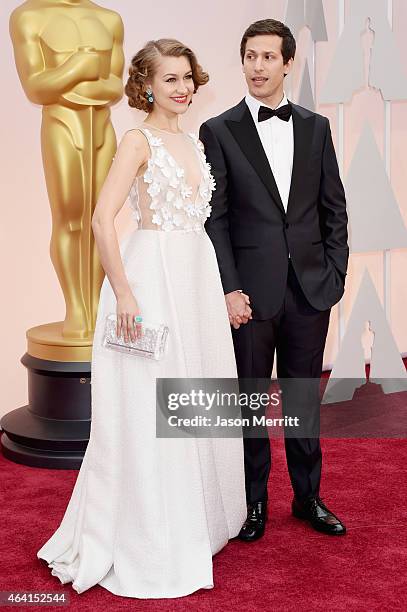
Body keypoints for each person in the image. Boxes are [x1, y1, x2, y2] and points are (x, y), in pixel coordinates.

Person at [37, 38, 247, 598]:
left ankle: (196, 521)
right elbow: (103, 220)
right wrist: (125, 294)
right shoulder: (137, 140)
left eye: (188, 78)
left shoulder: (193, 141)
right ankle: (151, 534)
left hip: (196, 280)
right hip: (150, 283)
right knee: (151, 409)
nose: (182, 88)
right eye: (170, 79)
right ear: (146, 85)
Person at [200, 19, 349, 541]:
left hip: (311, 290)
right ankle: (253, 501)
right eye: (249, 56)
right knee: (250, 402)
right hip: (249, 295)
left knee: (303, 400)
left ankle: (308, 497)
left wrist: (335, 274)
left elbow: (334, 208)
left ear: (288, 63)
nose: (257, 66)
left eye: (268, 57)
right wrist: (228, 288)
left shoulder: (315, 127)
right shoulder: (217, 131)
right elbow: (214, 218)